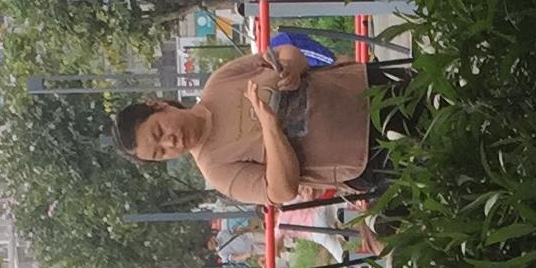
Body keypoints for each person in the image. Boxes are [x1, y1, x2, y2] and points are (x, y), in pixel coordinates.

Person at [114, 45, 417, 207]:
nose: (170, 143)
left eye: (159, 132)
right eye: (161, 153)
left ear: (158, 105)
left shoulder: (219, 82)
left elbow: (284, 52)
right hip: (370, 154)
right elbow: (281, 191)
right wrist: (271, 128)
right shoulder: (217, 170)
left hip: (363, 87)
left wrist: (293, 68)